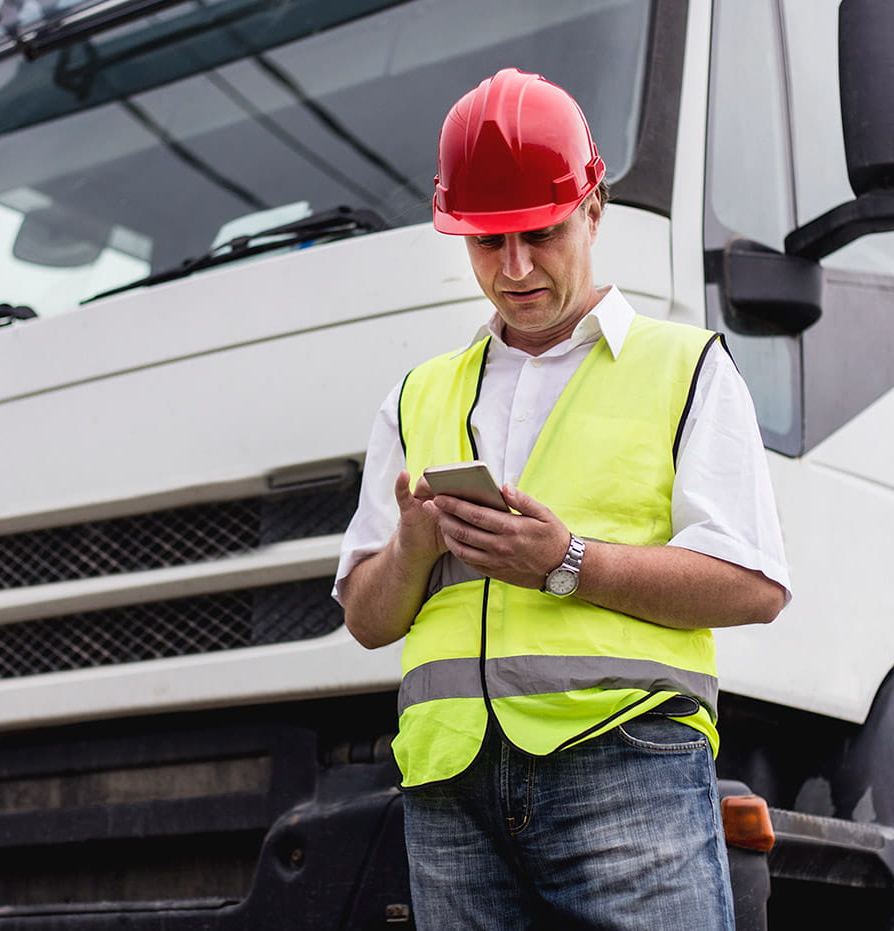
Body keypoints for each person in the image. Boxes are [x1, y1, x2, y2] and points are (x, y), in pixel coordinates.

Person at [334, 68, 790, 930]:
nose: (514, 269)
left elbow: (754, 584)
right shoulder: (416, 395)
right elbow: (366, 617)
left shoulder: (685, 367)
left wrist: (566, 564)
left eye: (538, 233)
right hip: (447, 785)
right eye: (484, 243)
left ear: (593, 206)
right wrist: (412, 550)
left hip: (625, 761)